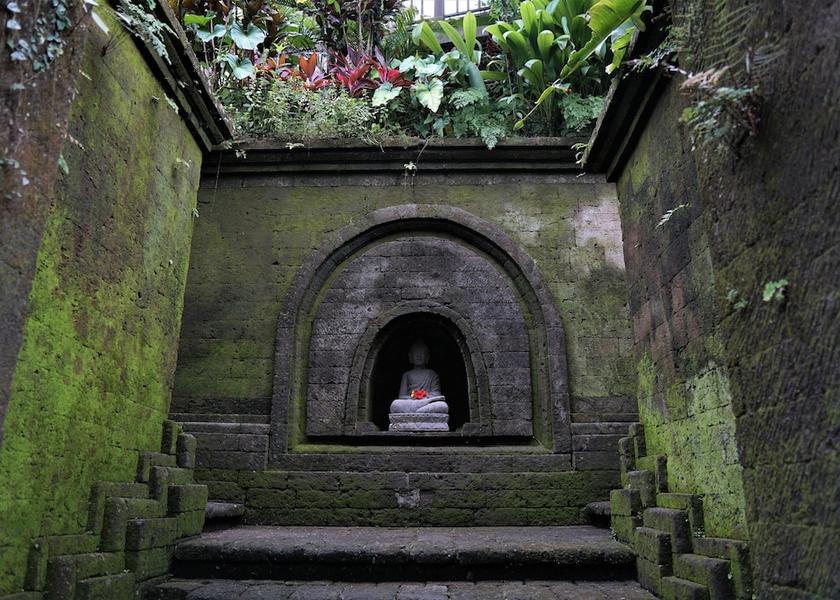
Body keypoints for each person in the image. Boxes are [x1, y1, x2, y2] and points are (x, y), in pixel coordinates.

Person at [389, 340, 449, 414]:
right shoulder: (407, 374)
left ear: (427, 357)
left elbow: (437, 394)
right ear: (410, 356)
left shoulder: (432, 374)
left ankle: (416, 412)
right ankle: (421, 411)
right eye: (416, 352)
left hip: (427, 401)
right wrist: (414, 397)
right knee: (395, 404)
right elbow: (402, 396)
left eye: (422, 352)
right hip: (411, 402)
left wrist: (425, 396)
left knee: (442, 406)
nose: (419, 355)